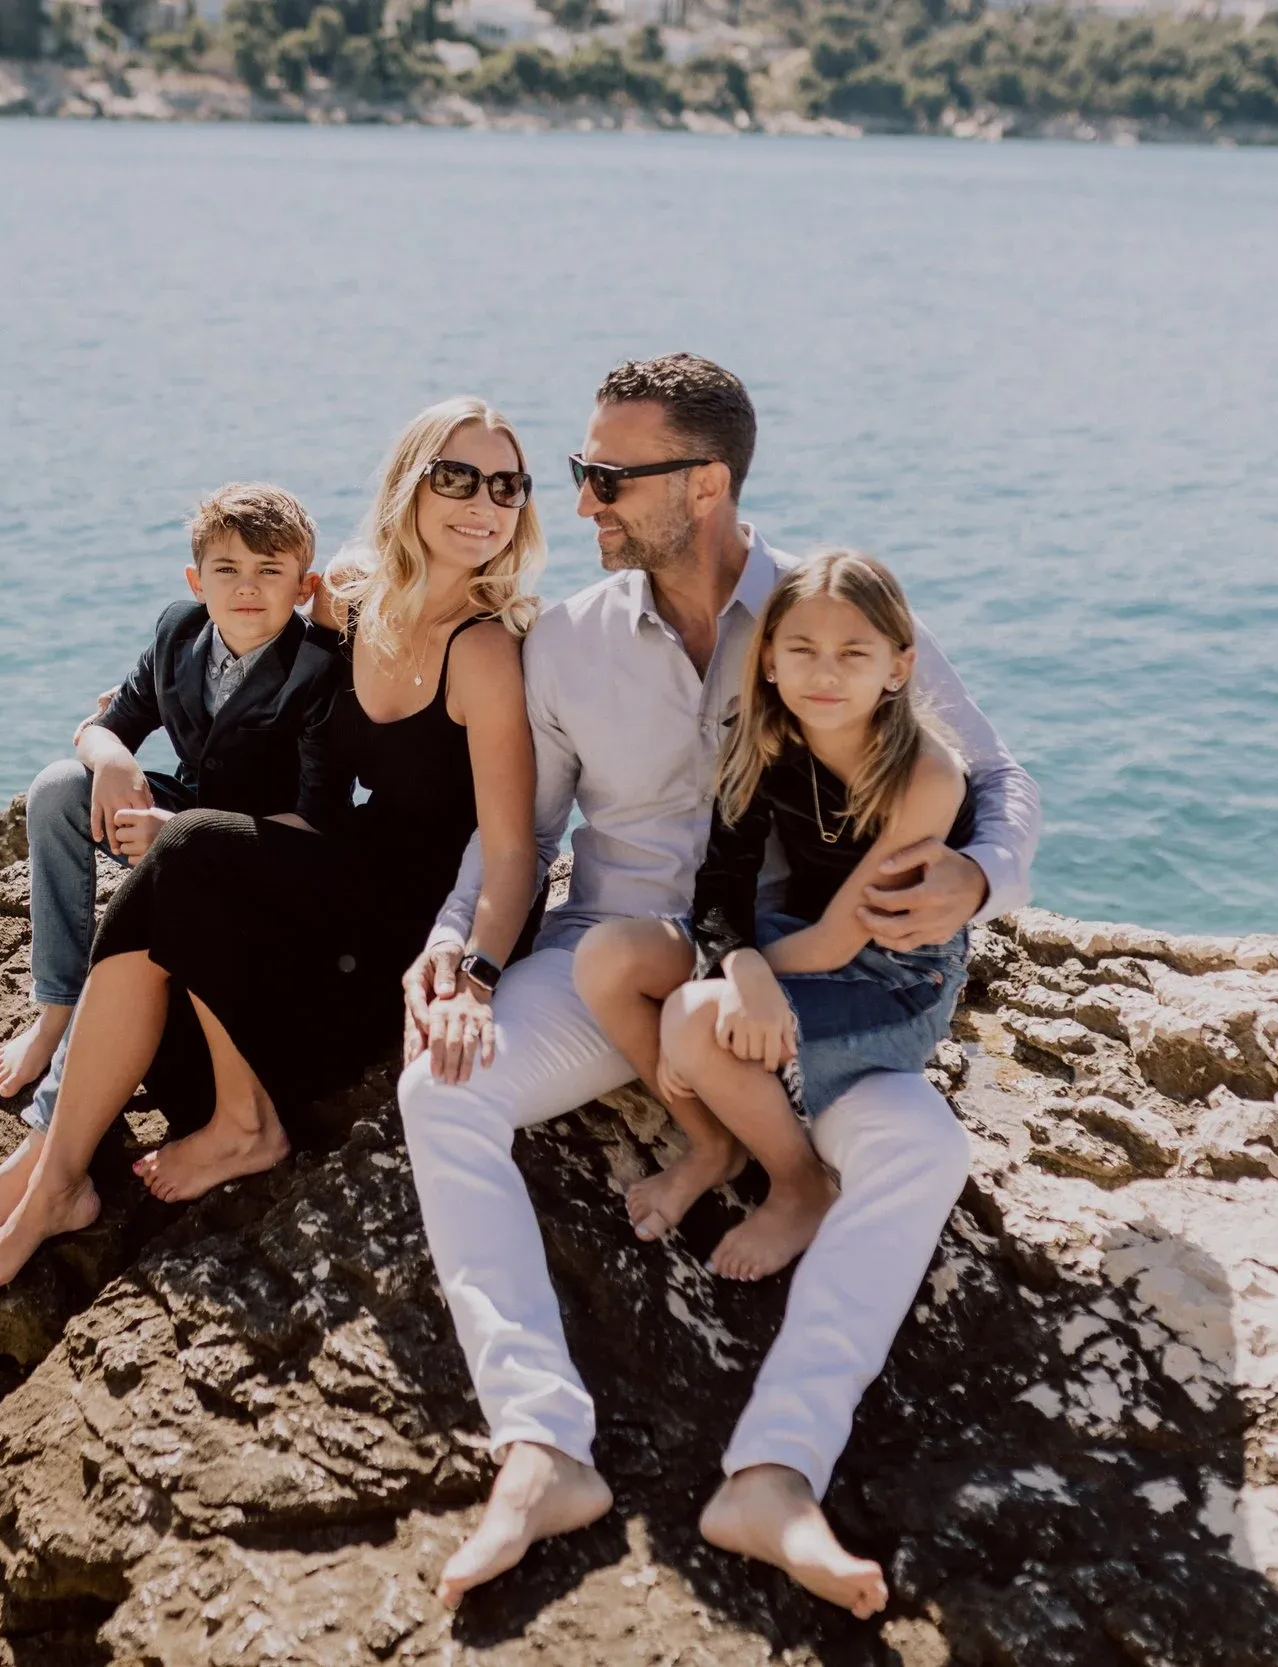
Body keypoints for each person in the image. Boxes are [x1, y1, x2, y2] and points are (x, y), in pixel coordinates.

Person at [394, 355, 1041, 1617]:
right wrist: (457, 946)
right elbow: (516, 830)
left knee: (920, 1148)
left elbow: (995, 773)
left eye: (602, 476)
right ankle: (540, 1445)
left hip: (807, 975)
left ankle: (778, 1470)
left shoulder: (823, 611)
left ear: (703, 483)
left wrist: (977, 880)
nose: (577, 503)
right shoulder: (569, 639)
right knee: (441, 1085)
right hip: (617, 954)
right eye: (577, 475)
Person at [0, 397, 546, 1299]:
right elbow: (235, 622)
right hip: (338, 865)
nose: (483, 502)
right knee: (169, 927)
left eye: (506, 486)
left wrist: (472, 977)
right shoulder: (348, 596)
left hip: (405, 914)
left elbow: (512, 852)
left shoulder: (485, 651)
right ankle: (54, 1174)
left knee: (188, 850)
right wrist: (106, 743)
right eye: (456, 476)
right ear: (409, 486)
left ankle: (236, 1126)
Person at [0, 485, 345, 1238]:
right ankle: (56, 1005)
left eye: (270, 571)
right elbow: (104, 725)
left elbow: (320, 818)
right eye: (226, 569)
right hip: (181, 820)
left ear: (305, 585)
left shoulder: (320, 669)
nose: (247, 588)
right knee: (59, 789)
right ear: (197, 582)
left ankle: (48, 1144)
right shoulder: (179, 632)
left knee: (182, 862)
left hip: (261, 854)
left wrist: (181, 829)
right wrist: (110, 759)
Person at [577, 549, 975, 1284]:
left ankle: (799, 1184)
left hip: (895, 977)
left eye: (854, 653)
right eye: (803, 649)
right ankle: (712, 1144)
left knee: (694, 1018)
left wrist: (742, 978)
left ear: (898, 665)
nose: (825, 674)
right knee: (609, 958)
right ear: (767, 662)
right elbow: (720, 888)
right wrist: (739, 961)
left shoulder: (927, 774)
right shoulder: (763, 740)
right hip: (795, 938)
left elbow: (844, 935)